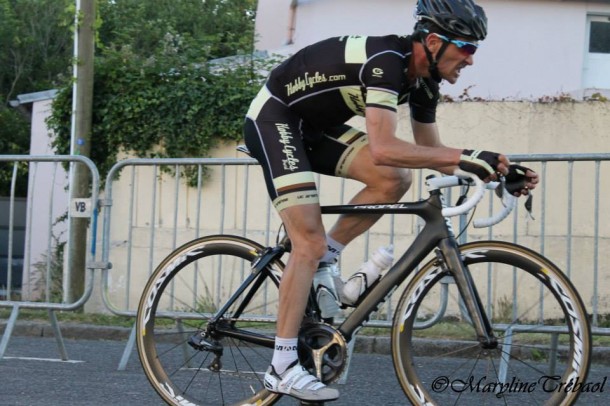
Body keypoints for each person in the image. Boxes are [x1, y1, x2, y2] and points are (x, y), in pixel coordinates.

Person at [243, 0, 539, 402]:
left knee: (393, 180)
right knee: (306, 242)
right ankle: (281, 367)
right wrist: (467, 157)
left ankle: (326, 258)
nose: (470, 59)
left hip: (315, 128)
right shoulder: (387, 63)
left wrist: (500, 171)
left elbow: (431, 152)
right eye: (467, 48)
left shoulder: (423, 84)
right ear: (434, 42)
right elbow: (384, 146)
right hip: (275, 119)